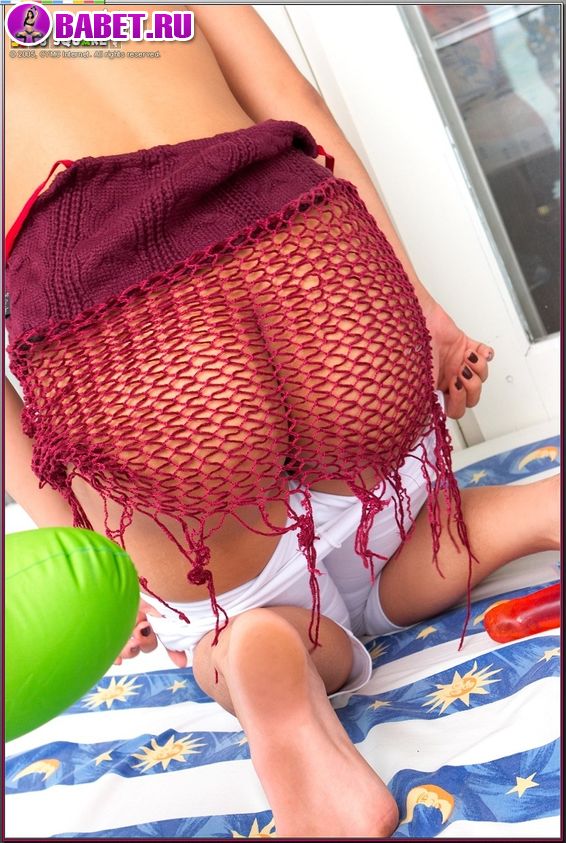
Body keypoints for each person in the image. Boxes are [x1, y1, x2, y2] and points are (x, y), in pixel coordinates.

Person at [5, 6, 559, 837]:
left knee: (224, 619)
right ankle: (541, 505)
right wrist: (427, 313)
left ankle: (257, 654)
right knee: (399, 521)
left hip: (129, 324)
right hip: (305, 251)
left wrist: (83, 555)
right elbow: (296, 101)